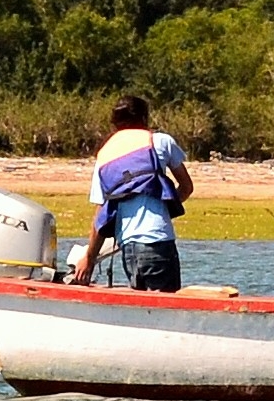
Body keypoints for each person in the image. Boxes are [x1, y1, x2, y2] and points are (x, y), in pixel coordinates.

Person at [71, 95, 193, 292]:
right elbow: (186, 186)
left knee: (145, 308)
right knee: (166, 310)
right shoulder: (160, 141)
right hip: (158, 243)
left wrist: (89, 259)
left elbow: (100, 216)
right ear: (144, 118)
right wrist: (164, 210)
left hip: (129, 250)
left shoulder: (105, 155)